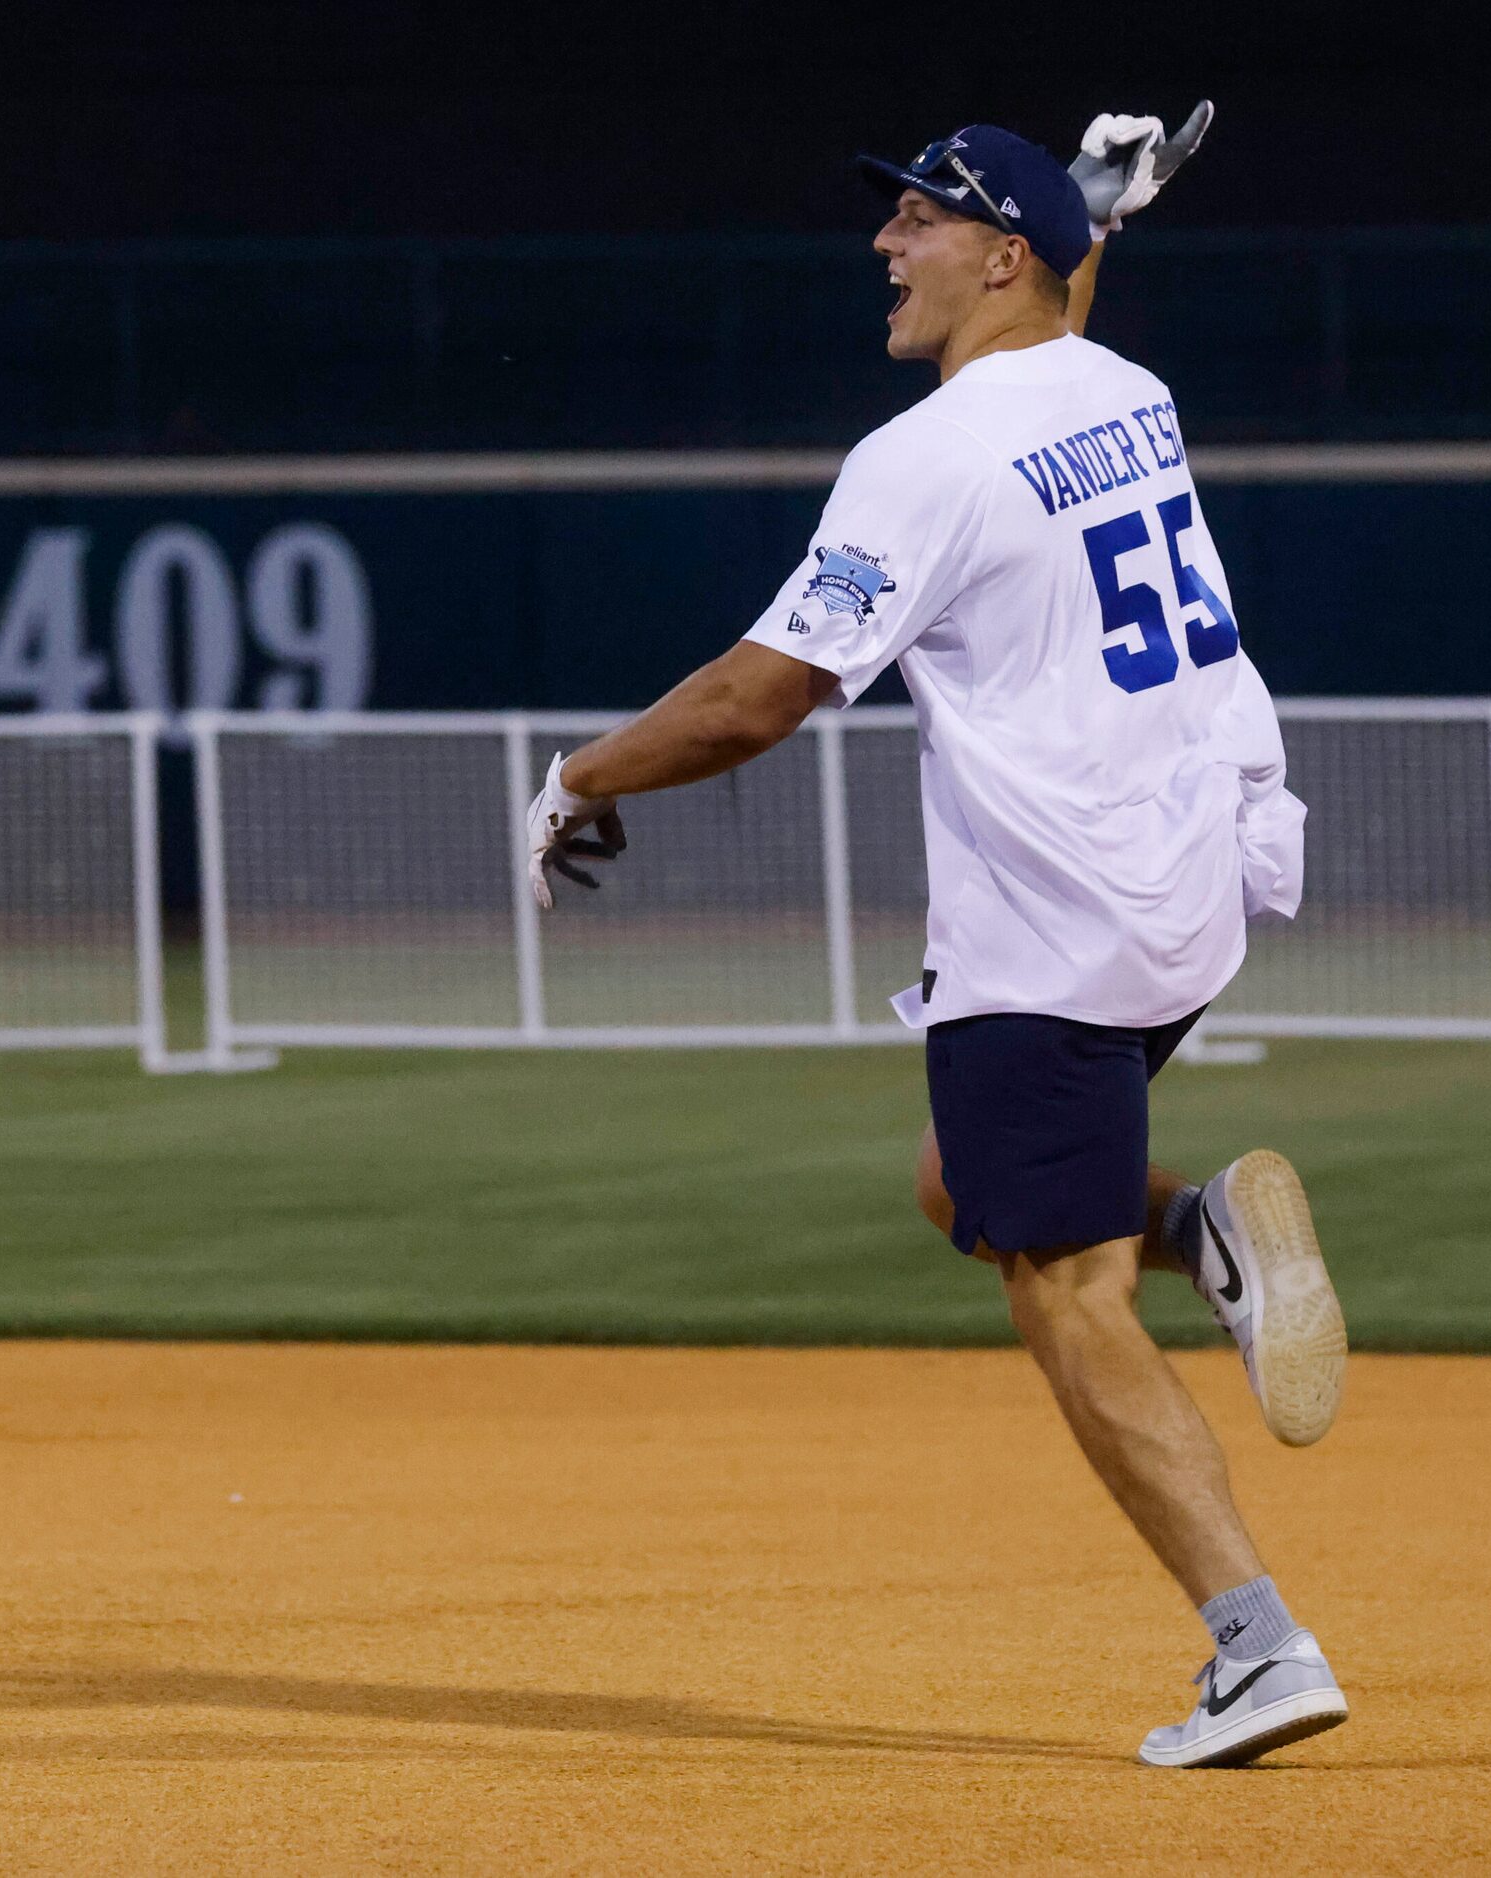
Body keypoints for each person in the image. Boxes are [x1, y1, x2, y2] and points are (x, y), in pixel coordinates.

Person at [525, 112, 1351, 1768]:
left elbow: (761, 697)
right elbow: (1060, 324)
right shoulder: (1125, 393)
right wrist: (1095, 213)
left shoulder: (924, 455)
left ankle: (1258, 1646)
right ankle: (1206, 1231)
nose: (886, 246)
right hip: (1189, 881)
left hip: (1055, 925)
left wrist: (580, 775)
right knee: (961, 1184)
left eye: (919, 220)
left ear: (1002, 257)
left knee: (1058, 1283)